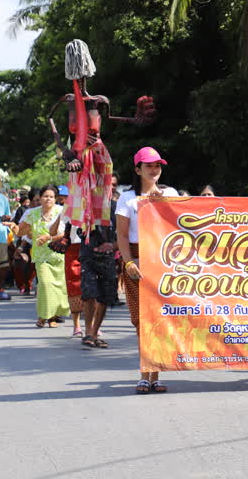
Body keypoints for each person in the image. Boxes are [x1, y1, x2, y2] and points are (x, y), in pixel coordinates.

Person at [117, 146, 178, 393]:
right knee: (140, 321)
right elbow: (121, 234)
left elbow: (186, 223)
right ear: (137, 169)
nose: (154, 169)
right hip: (138, 262)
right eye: (149, 165)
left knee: (160, 320)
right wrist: (129, 262)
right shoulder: (127, 198)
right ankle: (145, 373)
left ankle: (155, 374)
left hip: (164, 262)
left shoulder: (170, 193)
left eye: (157, 165)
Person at [18, 186, 68, 327]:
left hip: (58, 255)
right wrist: (13, 227)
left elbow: (66, 233)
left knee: (58, 287)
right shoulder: (32, 213)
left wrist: (49, 238)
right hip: (41, 256)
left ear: (56, 199)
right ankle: (43, 316)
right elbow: (21, 231)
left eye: (51, 197)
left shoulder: (62, 211)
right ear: (40, 198)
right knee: (45, 285)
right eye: (45, 196)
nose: (48, 199)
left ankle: (53, 316)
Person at [78, 204, 119, 348]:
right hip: (88, 255)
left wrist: (115, 245)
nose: (110, 187)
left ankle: (94, 333)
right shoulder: (83, 203)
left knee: (105, 296)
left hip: (108, 257)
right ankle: (88, 332)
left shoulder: (117, 206)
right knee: (89, 293)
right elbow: (71, 223)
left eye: (113, 184)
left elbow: (127, 230)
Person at [53, 210, 84, 337]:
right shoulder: (69, 206)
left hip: (91, 247)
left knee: (94, 286)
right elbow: (53, 231)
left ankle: (93, 325)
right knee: (74, 286)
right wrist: (61, 215)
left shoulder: (98, 202)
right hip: (73, 248)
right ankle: (77, 325)